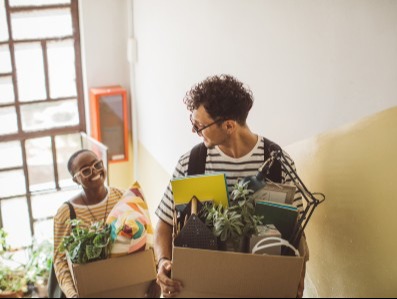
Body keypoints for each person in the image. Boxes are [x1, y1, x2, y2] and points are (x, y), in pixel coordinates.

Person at [155, 74, 309, 298]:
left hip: (259, 288)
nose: (194, 132)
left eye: (199, 126)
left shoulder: (278, 164)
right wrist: (163, 262)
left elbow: (297, 231)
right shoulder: (191, 163)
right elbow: (163, 224)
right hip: (203, 289)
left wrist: (298, 275)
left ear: (228, 125)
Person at [53, 149, 124, 298]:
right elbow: (60, 260)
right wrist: (72, 294)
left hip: (124, 285)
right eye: (85, 171)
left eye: (97, 165)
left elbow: (144, 236)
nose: (94, 171)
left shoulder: (122, 197)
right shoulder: (66, 213)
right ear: (75, 179)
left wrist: (153, 275)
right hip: (88, 291)